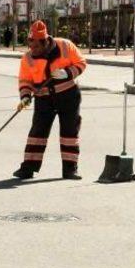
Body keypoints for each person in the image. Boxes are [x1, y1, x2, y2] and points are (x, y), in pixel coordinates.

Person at [13, 20, 87, 181]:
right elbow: (25, 80)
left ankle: (70, 170)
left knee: (69, 132)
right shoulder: (28, 58)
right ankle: (28, 168)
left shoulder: (66, 46)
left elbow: (81, 63)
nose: (33, 50)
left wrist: (67, 73)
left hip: (68, 96)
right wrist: (25, 97)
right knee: (37, 132)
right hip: (43, 99)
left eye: (36, 47)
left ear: (45, 42)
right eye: (30, 46)